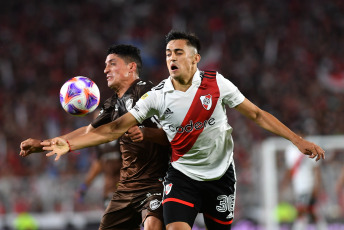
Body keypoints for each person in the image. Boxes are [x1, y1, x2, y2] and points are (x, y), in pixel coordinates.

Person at [35, 30, 325, 230]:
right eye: (167, 53)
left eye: (178, 52)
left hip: (221, 176)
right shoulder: (158, 96)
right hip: (182, 176)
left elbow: (257, 115)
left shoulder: (217, 83)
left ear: (195, 58)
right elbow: (115, 128)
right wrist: (69, 144)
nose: (171, 58)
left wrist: (297, 140)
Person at [20, 44, 170, 230]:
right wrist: (43, 145)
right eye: (106, 65)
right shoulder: (113, 104)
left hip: (155, 183)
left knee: (152, 226)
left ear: (131, 67)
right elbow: (87, 131)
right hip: (126, 187)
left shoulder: (146, 91)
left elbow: (170, 135)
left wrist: (146, 133)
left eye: (112, 64)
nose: (105, 69)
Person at [281, 143, 327, 230]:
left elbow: (316, 169)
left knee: (302, 210)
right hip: (299, 187)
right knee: (311, 210)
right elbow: (290, 169)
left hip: (307, 186)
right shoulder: (291, 150)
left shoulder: (310, 149)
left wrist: (316, 185)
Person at [75, 139, 122, 208]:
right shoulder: (100, 142)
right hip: (110, 190)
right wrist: (84, 187)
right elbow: (97, 165)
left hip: (123, 186)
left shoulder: (123, 138)